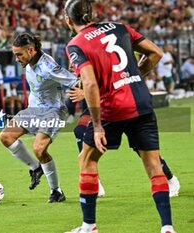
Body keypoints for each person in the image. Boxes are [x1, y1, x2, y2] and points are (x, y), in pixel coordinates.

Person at [64, 0, 176, 233]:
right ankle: (167, 227)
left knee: (87, 159)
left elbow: (90, 84)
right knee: (154, 165)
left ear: (68, 20)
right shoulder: (120, 27)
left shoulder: (76, 44)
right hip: (142, 102)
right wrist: (134, 77)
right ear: (91, 14)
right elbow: (156, 53)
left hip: (112, 109)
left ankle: (89, 226)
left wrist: (96, 126)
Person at [0, 32, 80, 203]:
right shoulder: (30, 62)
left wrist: (82, 90)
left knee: (39, 149)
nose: (16, 59)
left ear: (30, 50)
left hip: (53, 111)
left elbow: (75, 81)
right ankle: (36, 168)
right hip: (33, 110)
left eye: (18, 54)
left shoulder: (48, 67)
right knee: (6, 136)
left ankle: (56, 191)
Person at [73, 98, 180, 198]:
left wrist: (89, 92)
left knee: (142, 148)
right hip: (98, 106)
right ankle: (94, 181)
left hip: (122, 104)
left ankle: (170, 178)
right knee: (80, 130)